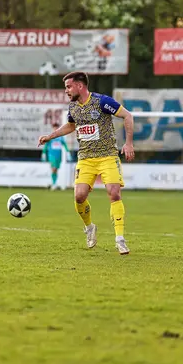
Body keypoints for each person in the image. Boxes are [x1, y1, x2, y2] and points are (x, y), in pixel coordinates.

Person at [37, 71, 135, 255]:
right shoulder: (73, 107)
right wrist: (50, 136)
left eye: (68, 87)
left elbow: (127, 116)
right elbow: (71, 125)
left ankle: (120, 239)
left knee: (114, 193)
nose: (66, 91)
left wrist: (128, 143)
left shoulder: (102, 101)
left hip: (107, 156)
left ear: (80, 86)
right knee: (79, 197)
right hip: (86, 158)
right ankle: (89, 227)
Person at [41, 122, 70, 190]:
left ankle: (54, 183)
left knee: (56, 169)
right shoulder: (50, 136)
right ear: (53, 128)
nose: (55, 128)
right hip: (52, 155)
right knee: (53, 168)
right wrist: (43, 153)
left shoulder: (61, 137)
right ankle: (54, 184)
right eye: (54, 127)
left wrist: (68, 152)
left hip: (58, 155)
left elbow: (64, 144)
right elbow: (46, 145)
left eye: (57, 127)